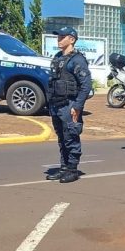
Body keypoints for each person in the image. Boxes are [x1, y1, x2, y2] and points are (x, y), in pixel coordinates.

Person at [45, 27, 92, 183]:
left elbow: (86, 85)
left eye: (62, 37)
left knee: (71, 137)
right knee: (62, 138)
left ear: (72, 39)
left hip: (69, 104)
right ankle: (64, 167)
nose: (59, 39)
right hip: (56, 105)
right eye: (58, 36)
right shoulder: (58, 57)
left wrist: (77, 106)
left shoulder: (77, 60)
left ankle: (72, 169)